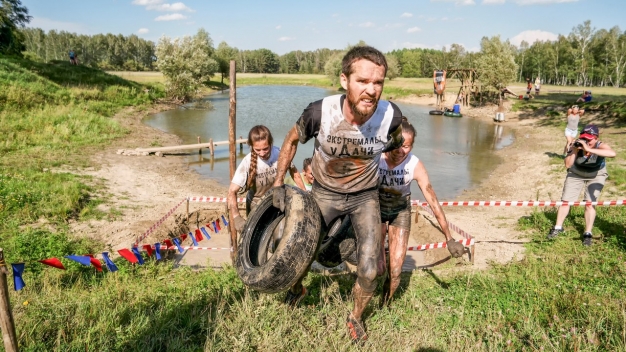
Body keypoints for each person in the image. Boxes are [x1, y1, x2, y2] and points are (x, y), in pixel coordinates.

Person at [270, 46, 465, 343]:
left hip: (365, 197)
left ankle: (356, 316)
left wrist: (387, 163)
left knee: (372, 269)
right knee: (301, 252)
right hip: (325, 193)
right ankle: (298, 290)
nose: (371, 90)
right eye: (362, 81)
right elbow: (292, 139)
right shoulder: (320, 112)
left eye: (378, 83)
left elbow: (397, 142)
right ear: (344, 80)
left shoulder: (391, 116)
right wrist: (275, 185)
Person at [378, 117, 462, 306]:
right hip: (376, 210)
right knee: (378, 266)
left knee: (396, 269)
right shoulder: (376, 158)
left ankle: (385, 303)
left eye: (407, 146)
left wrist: (449, 238)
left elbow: (432, 201)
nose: (401, 151)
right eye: (397, 144)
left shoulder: (414, 165)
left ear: (412, 146)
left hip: (400, 211)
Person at [547, 124, 616, 246]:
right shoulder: (575, 146)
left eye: (589, 140)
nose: (586, 142)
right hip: (576, 173)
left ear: (596, 138)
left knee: (590, 203)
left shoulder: (601, 145)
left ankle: (587, 233)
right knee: (566, 201)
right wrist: (573, 150)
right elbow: (568, 165)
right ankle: (558, 227)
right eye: (584, 139)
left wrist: (588, 149)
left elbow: (612, 153)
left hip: (596, 174)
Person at [227, 125, 305, 232]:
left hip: (275, 199)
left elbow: (295, 173)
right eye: (257, 150)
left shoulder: (279, 153)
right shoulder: (247, 162)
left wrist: (305, 193)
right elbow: (231, 191)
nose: (262, 153)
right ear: (251, 146)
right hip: (256, 205)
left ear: (271, 144)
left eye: (265, 149)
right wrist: (236, 217)